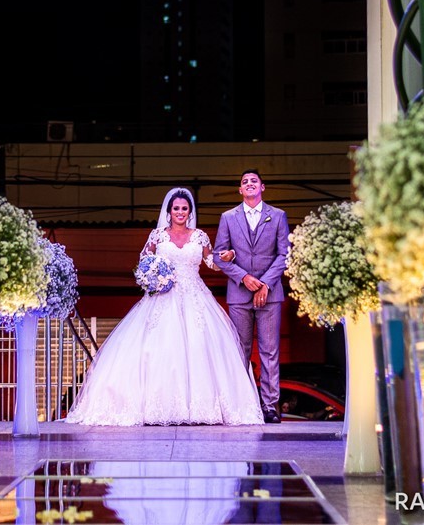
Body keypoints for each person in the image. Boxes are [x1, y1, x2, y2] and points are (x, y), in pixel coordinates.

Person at [65, 187, 263, 425]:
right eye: (176, 208)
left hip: (195, 296)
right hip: (163, 296)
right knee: (159, 349)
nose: (180, 212)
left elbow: (210, 262)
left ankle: (201, 408)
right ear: (169, 211)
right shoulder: (157, 235)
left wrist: (225, 257)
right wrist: (153, 276)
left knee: (199, 347)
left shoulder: (199, 236)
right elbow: (144, 261)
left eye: (184, 208)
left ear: (189, 212)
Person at [214, 170, 290, 424]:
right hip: (239, 293)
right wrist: (244, 277)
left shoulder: (278, 216)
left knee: (270, 351)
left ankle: (270, 406)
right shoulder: (228, 217)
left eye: (253, 181)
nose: (249, 184)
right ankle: (242, 405)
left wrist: (265, 283)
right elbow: (219, 256)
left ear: (262, 187)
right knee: (240, 350)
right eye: (244, 181)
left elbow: (284, 254)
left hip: (270, 293)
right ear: (240, 190)